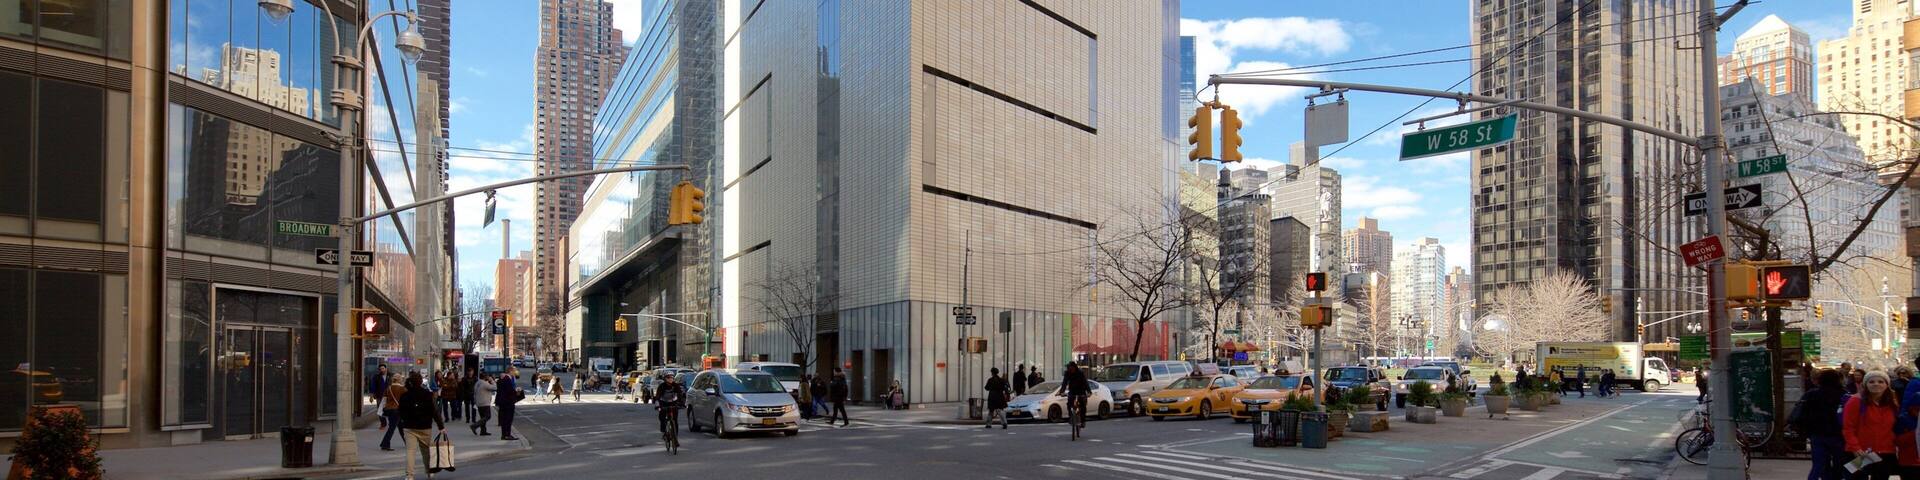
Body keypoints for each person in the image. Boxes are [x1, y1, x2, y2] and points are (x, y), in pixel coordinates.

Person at [1845, 370, 1901, 479]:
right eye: (1871, 382)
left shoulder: (1892, 403)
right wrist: (1855, 448)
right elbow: (1848, 428)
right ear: (1865, 384)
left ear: (1887, 385)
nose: (1876, 384)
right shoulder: (1856, 401)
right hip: (1862, 452)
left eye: (1881, 381)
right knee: (1857, 477)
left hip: (1886, 451)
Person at [397, 371, 448, 480]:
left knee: (410, 452)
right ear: (420, 382)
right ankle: (429, 472)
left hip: (409, 427)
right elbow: (434, 411)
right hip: (425, 426)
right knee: (426, 451)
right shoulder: (427, 394)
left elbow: (400, 411)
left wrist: (403, 422)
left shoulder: (405, 395)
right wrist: (441, 426)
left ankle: (409, 475)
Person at [1801, 369, 1849, 480]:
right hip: (1839, 434)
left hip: (1817, 434)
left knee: (1819, 465)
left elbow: (1805, 414)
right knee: (1839, 464)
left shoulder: (1812, 394)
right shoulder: (1844, 395)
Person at [654, 373, 685, 446]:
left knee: (675, 420)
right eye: (668, 377)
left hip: (673, 402)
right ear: (665, 379)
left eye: (672, 377)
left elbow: (680, 395)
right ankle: (664, 432)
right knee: (662, 417)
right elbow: (657, 396)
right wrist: (657, 405)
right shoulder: (661, 386)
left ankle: (675, 438)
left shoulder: (675, 385)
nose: (670, 379)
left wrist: (682, 404)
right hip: (663, 402)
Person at [496, 368, 522, 441]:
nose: (515, 372)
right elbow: (509, 391)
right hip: (508, 402)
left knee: (504, 420)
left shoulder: (504, 378)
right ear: (510, 371)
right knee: (508, 419)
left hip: (504, 402)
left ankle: (504, 435)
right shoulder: (507, 379)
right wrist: (517, 391)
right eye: (514, 371)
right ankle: (507, 435)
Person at [1062, 362, 1090, 428]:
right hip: (1072, 390)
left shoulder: (1080, 373)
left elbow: (1085, 382)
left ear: (1074, 367)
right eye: (1068, 368)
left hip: (1081, 390)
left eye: (1070, 368)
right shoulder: (1067, 373)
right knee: (1069, 403)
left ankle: (1083, 421)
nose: (1070, 370)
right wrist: (1062, 391)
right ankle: (1071, 417)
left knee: (1082, 405)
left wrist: (1089, 391)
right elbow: (1064, 383)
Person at [380, 373, 404, 451]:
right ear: (399, 379)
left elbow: (384, 399)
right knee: (392, 428)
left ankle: (407, 441)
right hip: (397, 410)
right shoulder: (402, 389)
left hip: (389, 410)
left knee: (400, 426)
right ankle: (385, 444)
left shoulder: (388, 388)